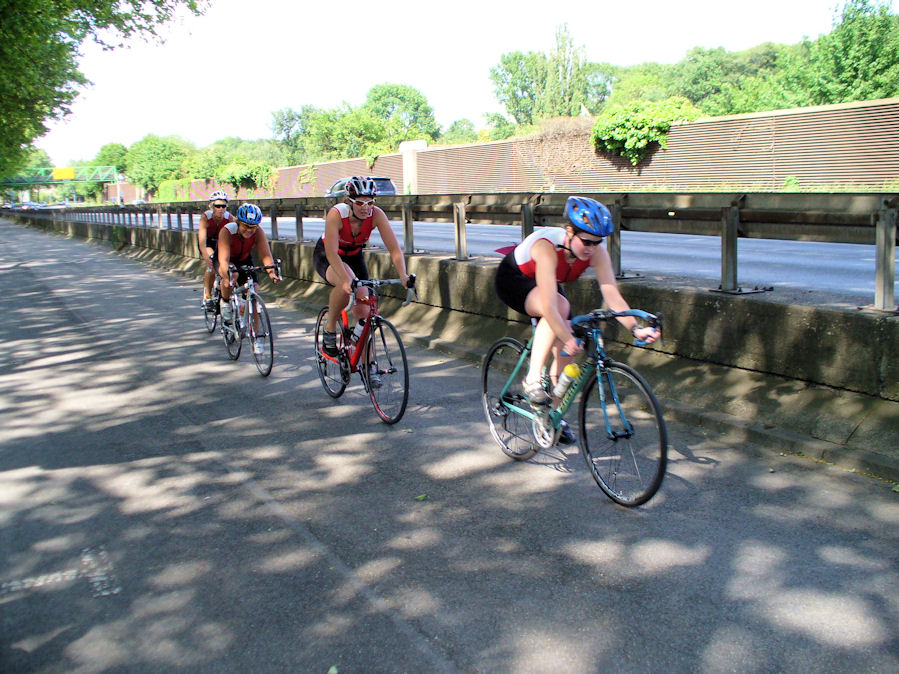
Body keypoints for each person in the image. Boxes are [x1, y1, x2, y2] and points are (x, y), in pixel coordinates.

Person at [494, 196, 660, 443]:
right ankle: (532, 378)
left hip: (548, 285)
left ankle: (552, 416)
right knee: (559, 309)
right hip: (514, 280)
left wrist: (635, 328)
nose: (592, 248)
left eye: (598, 242)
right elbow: (550, 306)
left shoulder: (596, 252)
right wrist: (564, 333)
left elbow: (611, 294)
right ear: (569, 232)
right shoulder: (547, 248)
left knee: (567, 355)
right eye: (587, 242)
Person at [314, 176, 410, 359]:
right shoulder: (336, 214)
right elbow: (332, 253)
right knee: (347, 284)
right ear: (349, 202)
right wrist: (344, 280)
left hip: (354, 255)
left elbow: (394, 248)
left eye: (370, 202)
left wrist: (403, 275)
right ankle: (330, 327)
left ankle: (368, 368)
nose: (365, 207)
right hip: (328, 254)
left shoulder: (377, 215)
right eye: (360, 202)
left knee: (366, 311)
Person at [218, 203, 282, 355]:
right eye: (245, 226)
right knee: (232, 275)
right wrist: (226, 276)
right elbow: (224, 260)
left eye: (252, 227)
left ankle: (256, 337)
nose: (249, 230)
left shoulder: (257, 232)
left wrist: (272, 273)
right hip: (227, 259)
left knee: (253, 294)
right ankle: (225, 301)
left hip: (245, 259)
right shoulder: (227, 231)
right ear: (238, 223)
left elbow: (265, 255)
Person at [197, 190, 234, 310]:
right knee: (211, 265)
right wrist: (206, 256)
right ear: (212, 207)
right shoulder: (206, 217)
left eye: (223, 206)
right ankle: (207, 295)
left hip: (221, 243)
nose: (220, 209)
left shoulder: (229, 218)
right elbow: (202, 241)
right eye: (217, 206)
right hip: (208, 243)